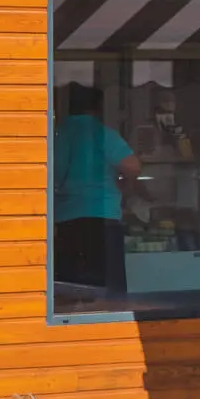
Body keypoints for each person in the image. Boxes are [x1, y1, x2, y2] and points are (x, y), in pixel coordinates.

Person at [52, 82, 139, 296]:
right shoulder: (103, 133)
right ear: (98, 108)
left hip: (66, 217)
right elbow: (132, 166)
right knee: (107, 287)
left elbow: (51, 173)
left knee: (69, 286)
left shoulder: (57, 134)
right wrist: (123, 187)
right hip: (103, 214)